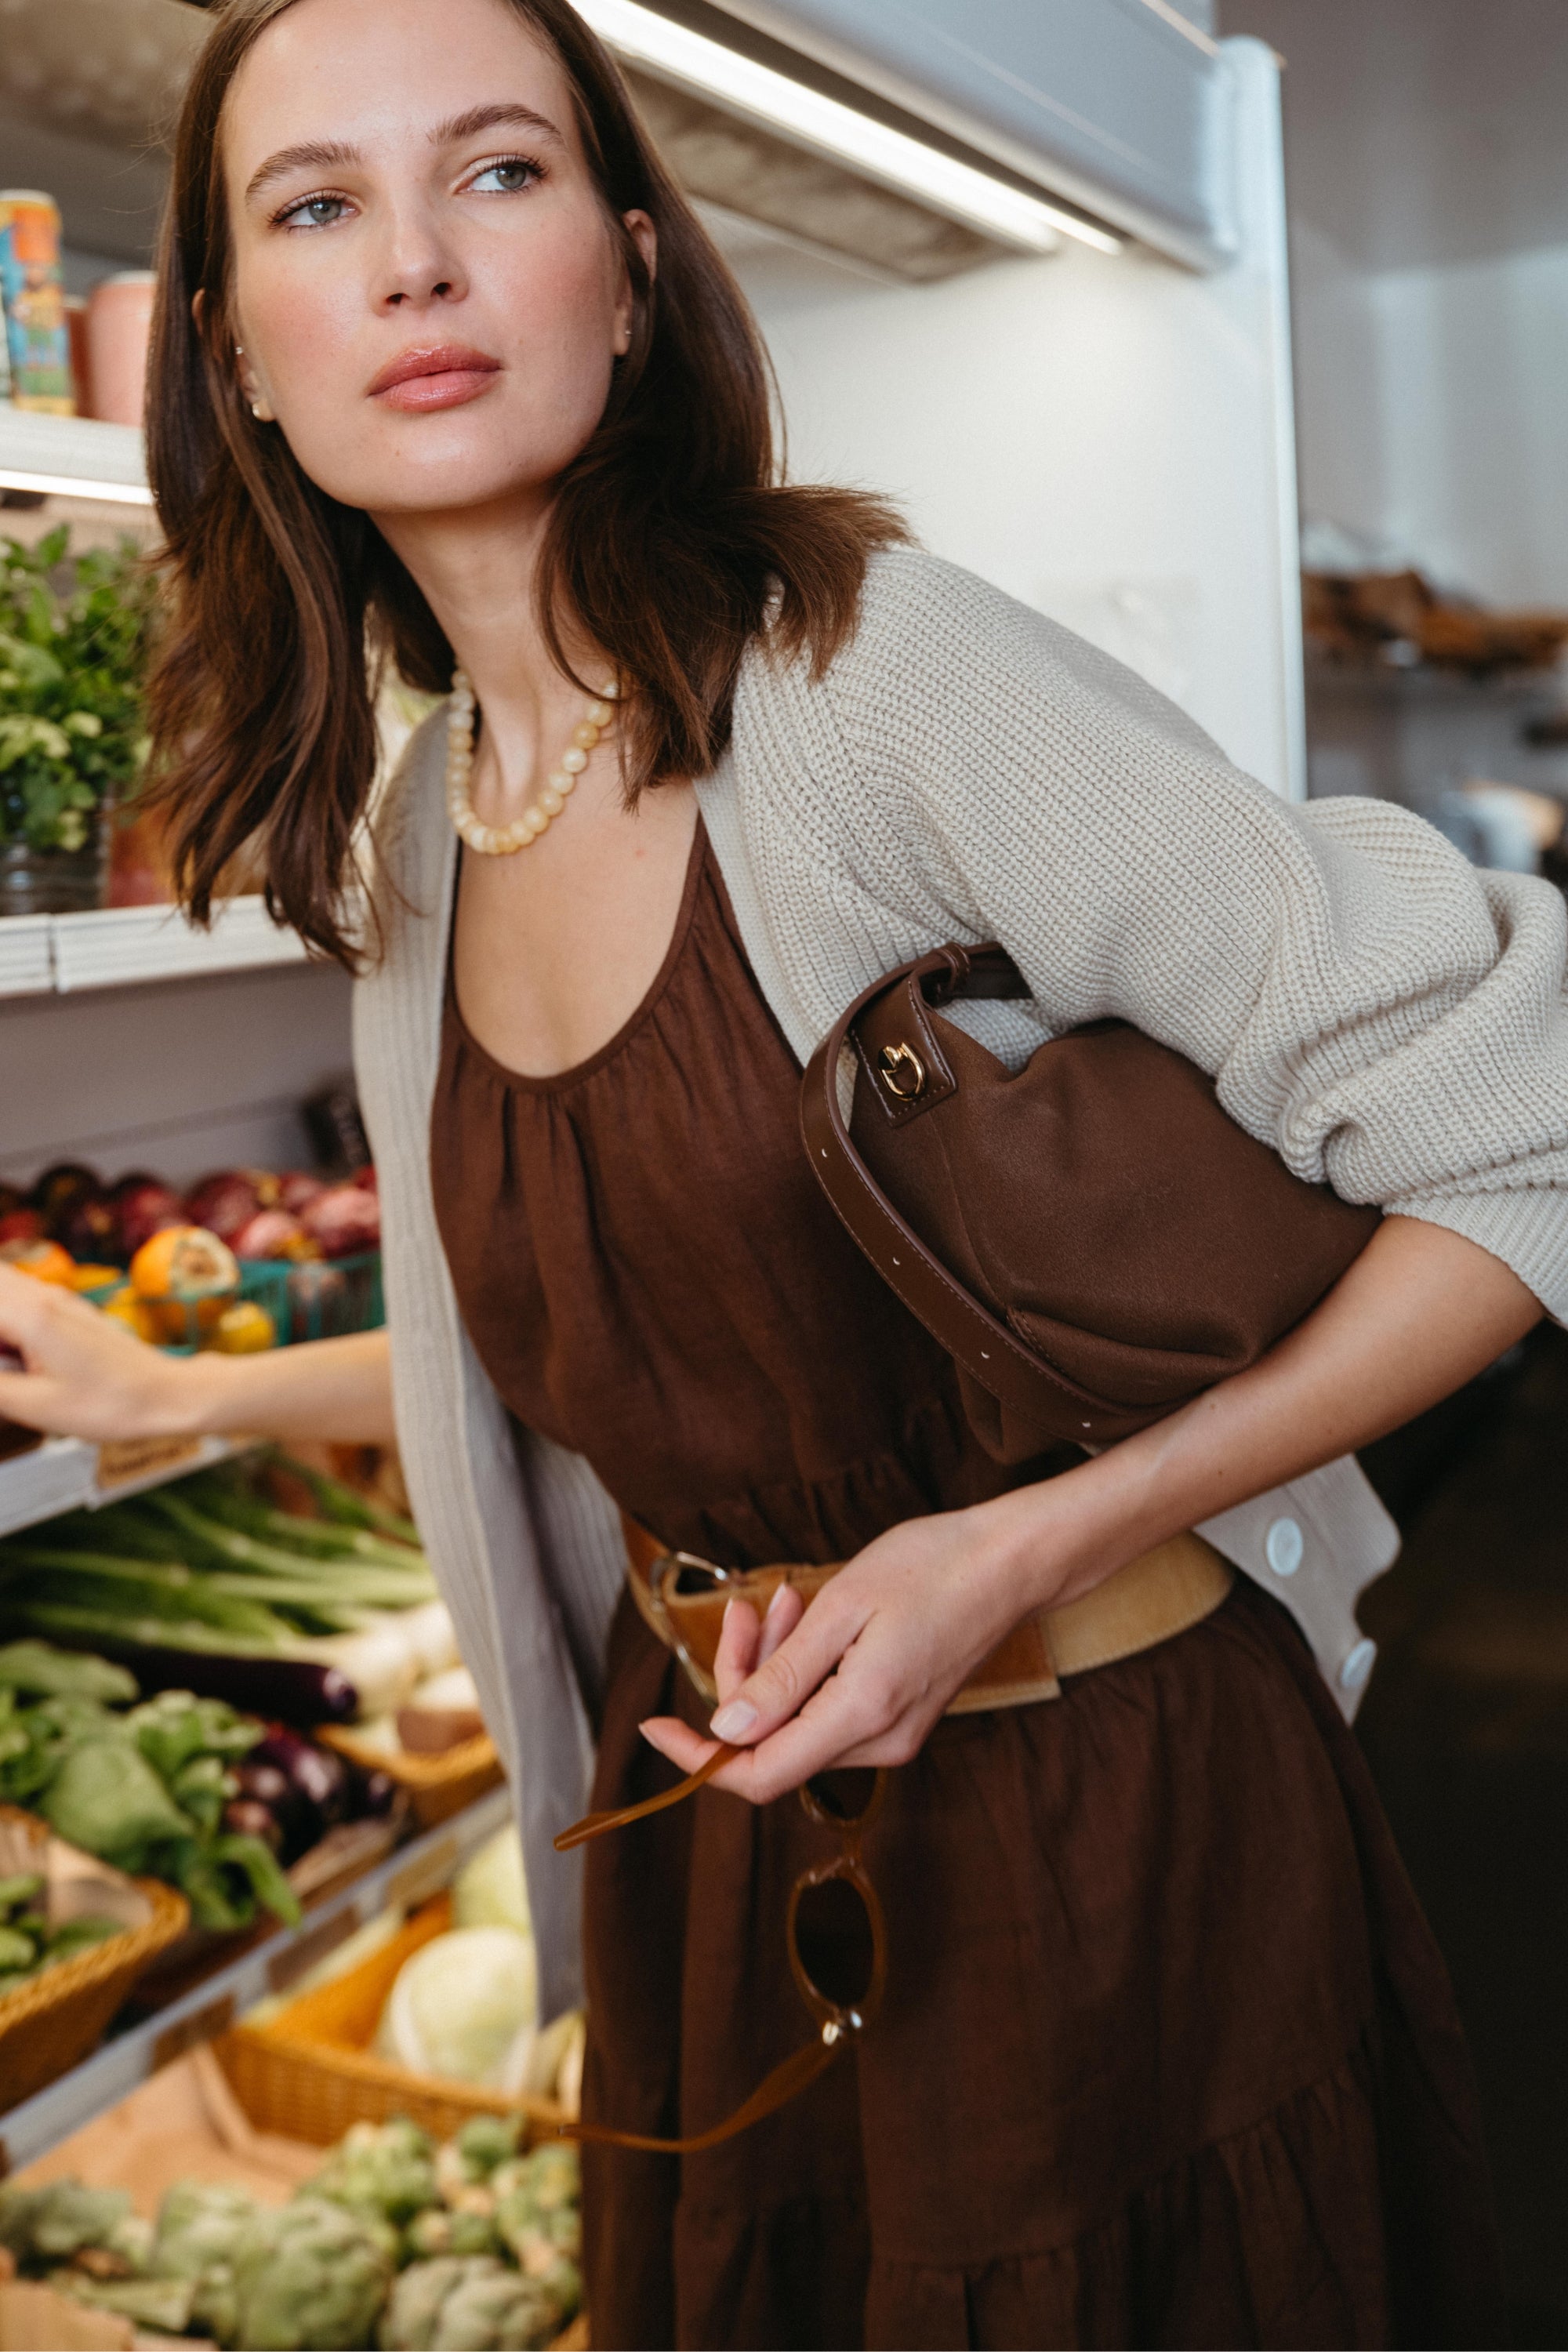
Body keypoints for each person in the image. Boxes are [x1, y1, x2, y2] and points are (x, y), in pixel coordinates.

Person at [2, 0, 1563, 2339]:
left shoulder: (871, 681)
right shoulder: (422, 840)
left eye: (497, 174)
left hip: (1104, 1826)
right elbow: (622, 1365)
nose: (416, 263)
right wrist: (170, 1407)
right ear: (236, 360)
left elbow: (1514, 1145)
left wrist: (1030, 1542)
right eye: (318, 207)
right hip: (723, 1880)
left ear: (631, 275)